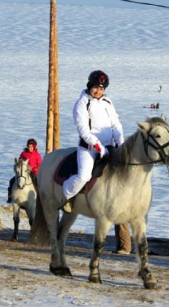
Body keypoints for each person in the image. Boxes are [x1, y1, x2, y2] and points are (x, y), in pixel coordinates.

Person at [62, 70, 124, 213]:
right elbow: (83, 130)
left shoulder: (108, 102)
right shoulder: (82, 104)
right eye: (95, 87)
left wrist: (120, 141)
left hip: (109, 145)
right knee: (84, 176)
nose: (98, 91)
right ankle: (67, 195)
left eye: (101, 88)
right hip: (89, 147)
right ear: (90, 86)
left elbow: (115, 123)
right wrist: (99, 147)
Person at [7, 138, 42, 203]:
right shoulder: (24, 153)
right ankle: (10, 197)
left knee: (38, 184)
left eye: (31, 147)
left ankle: (39, 199)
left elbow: (39, 166)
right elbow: (19, 162)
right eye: (28, 146)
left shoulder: (37, 155)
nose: (29, 148)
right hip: (23, 172)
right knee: (12, 181)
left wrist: (33, 169)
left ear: (34, 147)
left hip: (33, 172)